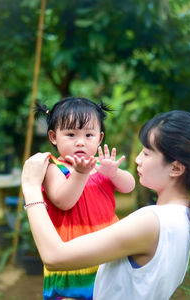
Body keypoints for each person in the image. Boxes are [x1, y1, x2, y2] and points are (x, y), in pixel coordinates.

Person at [22, 110, 190, 300]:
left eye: (146, 153)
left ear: (176, 168)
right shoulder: (183, 219)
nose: (137, 159)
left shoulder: (150, 222)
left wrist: (30, 187)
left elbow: (55, 257)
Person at [34, 97, 136, 300]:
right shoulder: (54, 167)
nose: (80, 141)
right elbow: (63, 201)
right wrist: (80, 174)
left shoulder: (101, 165)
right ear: (54, 137)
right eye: (71, 134)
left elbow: (129, 186)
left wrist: (114, 173)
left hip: (107, 250)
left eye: (89, 134)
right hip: (73, 255)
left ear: (99, 138)